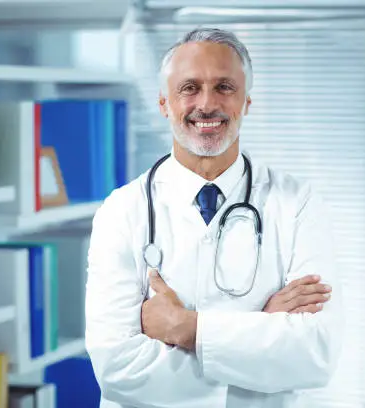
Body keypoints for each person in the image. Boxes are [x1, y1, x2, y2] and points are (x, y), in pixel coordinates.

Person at [85, 27, 344, 408]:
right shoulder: (121, 211)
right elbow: (117, 368)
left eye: (225, 86)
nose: (207, 104)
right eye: (189, 87)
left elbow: (316, 354)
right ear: (164, 103)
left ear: (247, 101)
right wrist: (259, 330)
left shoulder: (297, 203)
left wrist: (187, 328)